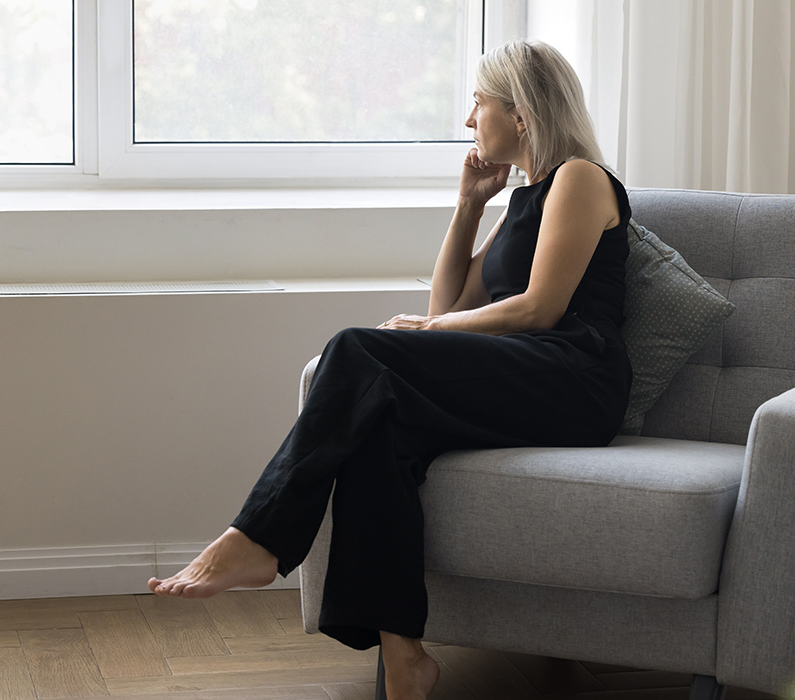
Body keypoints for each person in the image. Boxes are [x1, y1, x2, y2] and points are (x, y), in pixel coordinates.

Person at [148, 39, 632, 700]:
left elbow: (539, 309)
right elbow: (451, 305)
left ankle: (257, 536)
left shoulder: (580, 177)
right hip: (526, 370)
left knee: (356, 348)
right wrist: (468, 205)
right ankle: (405, 657)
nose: (469, 121)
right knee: (380, 429)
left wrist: (429, 330)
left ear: (521, 115)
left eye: (478, 103)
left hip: (573, 377)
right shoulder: (525, 200)